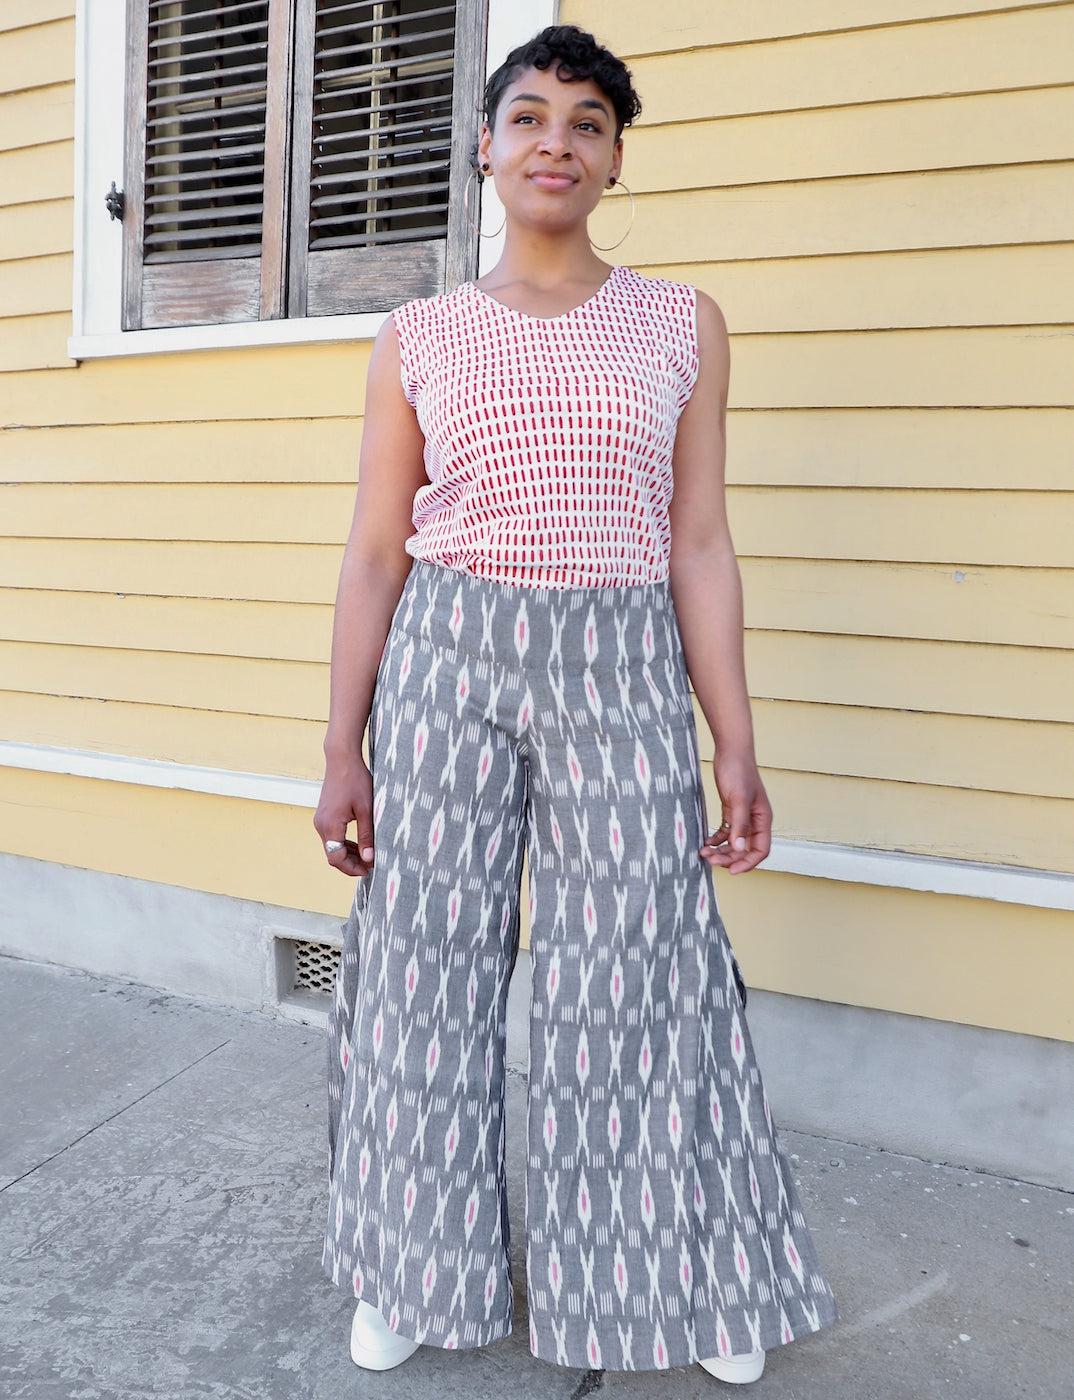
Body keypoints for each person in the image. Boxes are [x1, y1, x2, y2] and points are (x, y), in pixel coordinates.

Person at [313, 22, 839, 1384]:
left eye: (588, 122)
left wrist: (735, 744)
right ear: (487, 148)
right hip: (449, 657)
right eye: (530, 117)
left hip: (621, 661)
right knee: (423, 971)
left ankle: (679, 1284)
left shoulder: (679, 323)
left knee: (643, 974)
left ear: (613, 160)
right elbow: (374, 552)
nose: (557, 141)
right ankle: (411, 1269)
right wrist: (342, 747)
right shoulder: (418, 335)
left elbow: (698, 543)